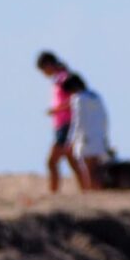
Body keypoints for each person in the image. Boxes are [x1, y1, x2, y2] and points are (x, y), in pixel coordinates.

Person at [36, 51, 78, 192]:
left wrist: (56, 110)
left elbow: (75, 99)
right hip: (61, 124)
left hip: (66, 124)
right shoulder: (58, 79)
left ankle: (53, 193)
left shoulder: (64, 78)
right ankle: (87, 190)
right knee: (73, 162)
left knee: (52, 162)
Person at [63, 73, 112, 190]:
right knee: (97, 168)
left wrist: (70, 140)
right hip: (99, 137)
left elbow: (78, 121)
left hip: (86, 139)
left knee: (89, 168)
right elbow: (105, 118)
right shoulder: (96, 97)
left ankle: (92, 192)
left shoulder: (79, 99)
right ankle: (98, 190)